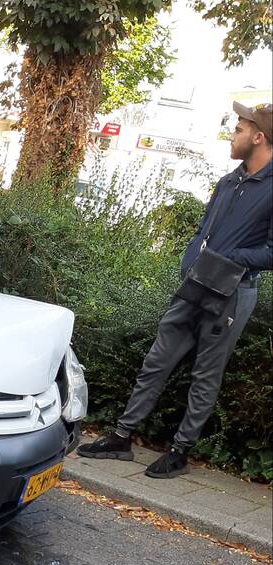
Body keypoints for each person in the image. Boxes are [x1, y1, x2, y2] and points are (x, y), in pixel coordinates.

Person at [78, 101, 273, 478]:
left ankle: (180, 451)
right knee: (157, 360)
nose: (232, 135)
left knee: (205, 375)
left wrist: (226, 257)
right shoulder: (228, 181)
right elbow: (203, 229)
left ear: (258, 137)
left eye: (238, 129)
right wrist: (192, 260)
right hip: (195, 285)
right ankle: (122, 437)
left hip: (232, 294)